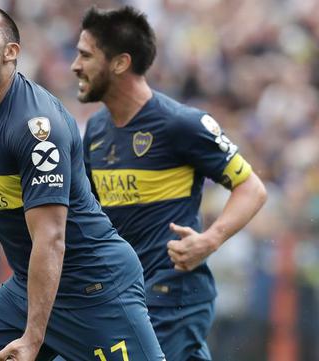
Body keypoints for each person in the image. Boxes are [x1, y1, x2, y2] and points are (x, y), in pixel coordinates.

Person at [0, 4, 165, 361]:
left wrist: (33, 337)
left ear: (11, 52)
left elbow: (51, 238)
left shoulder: (36, 126)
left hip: (96, 291)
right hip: (30, 288)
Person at [71, 6, 267, 361]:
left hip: (172, 294)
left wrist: (211, 239)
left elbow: (252, 188)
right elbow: (94, 215)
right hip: (126, 296)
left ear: (119, 63)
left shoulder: (181, 124)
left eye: (85, 55)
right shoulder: (96, 131)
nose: (75, 65)